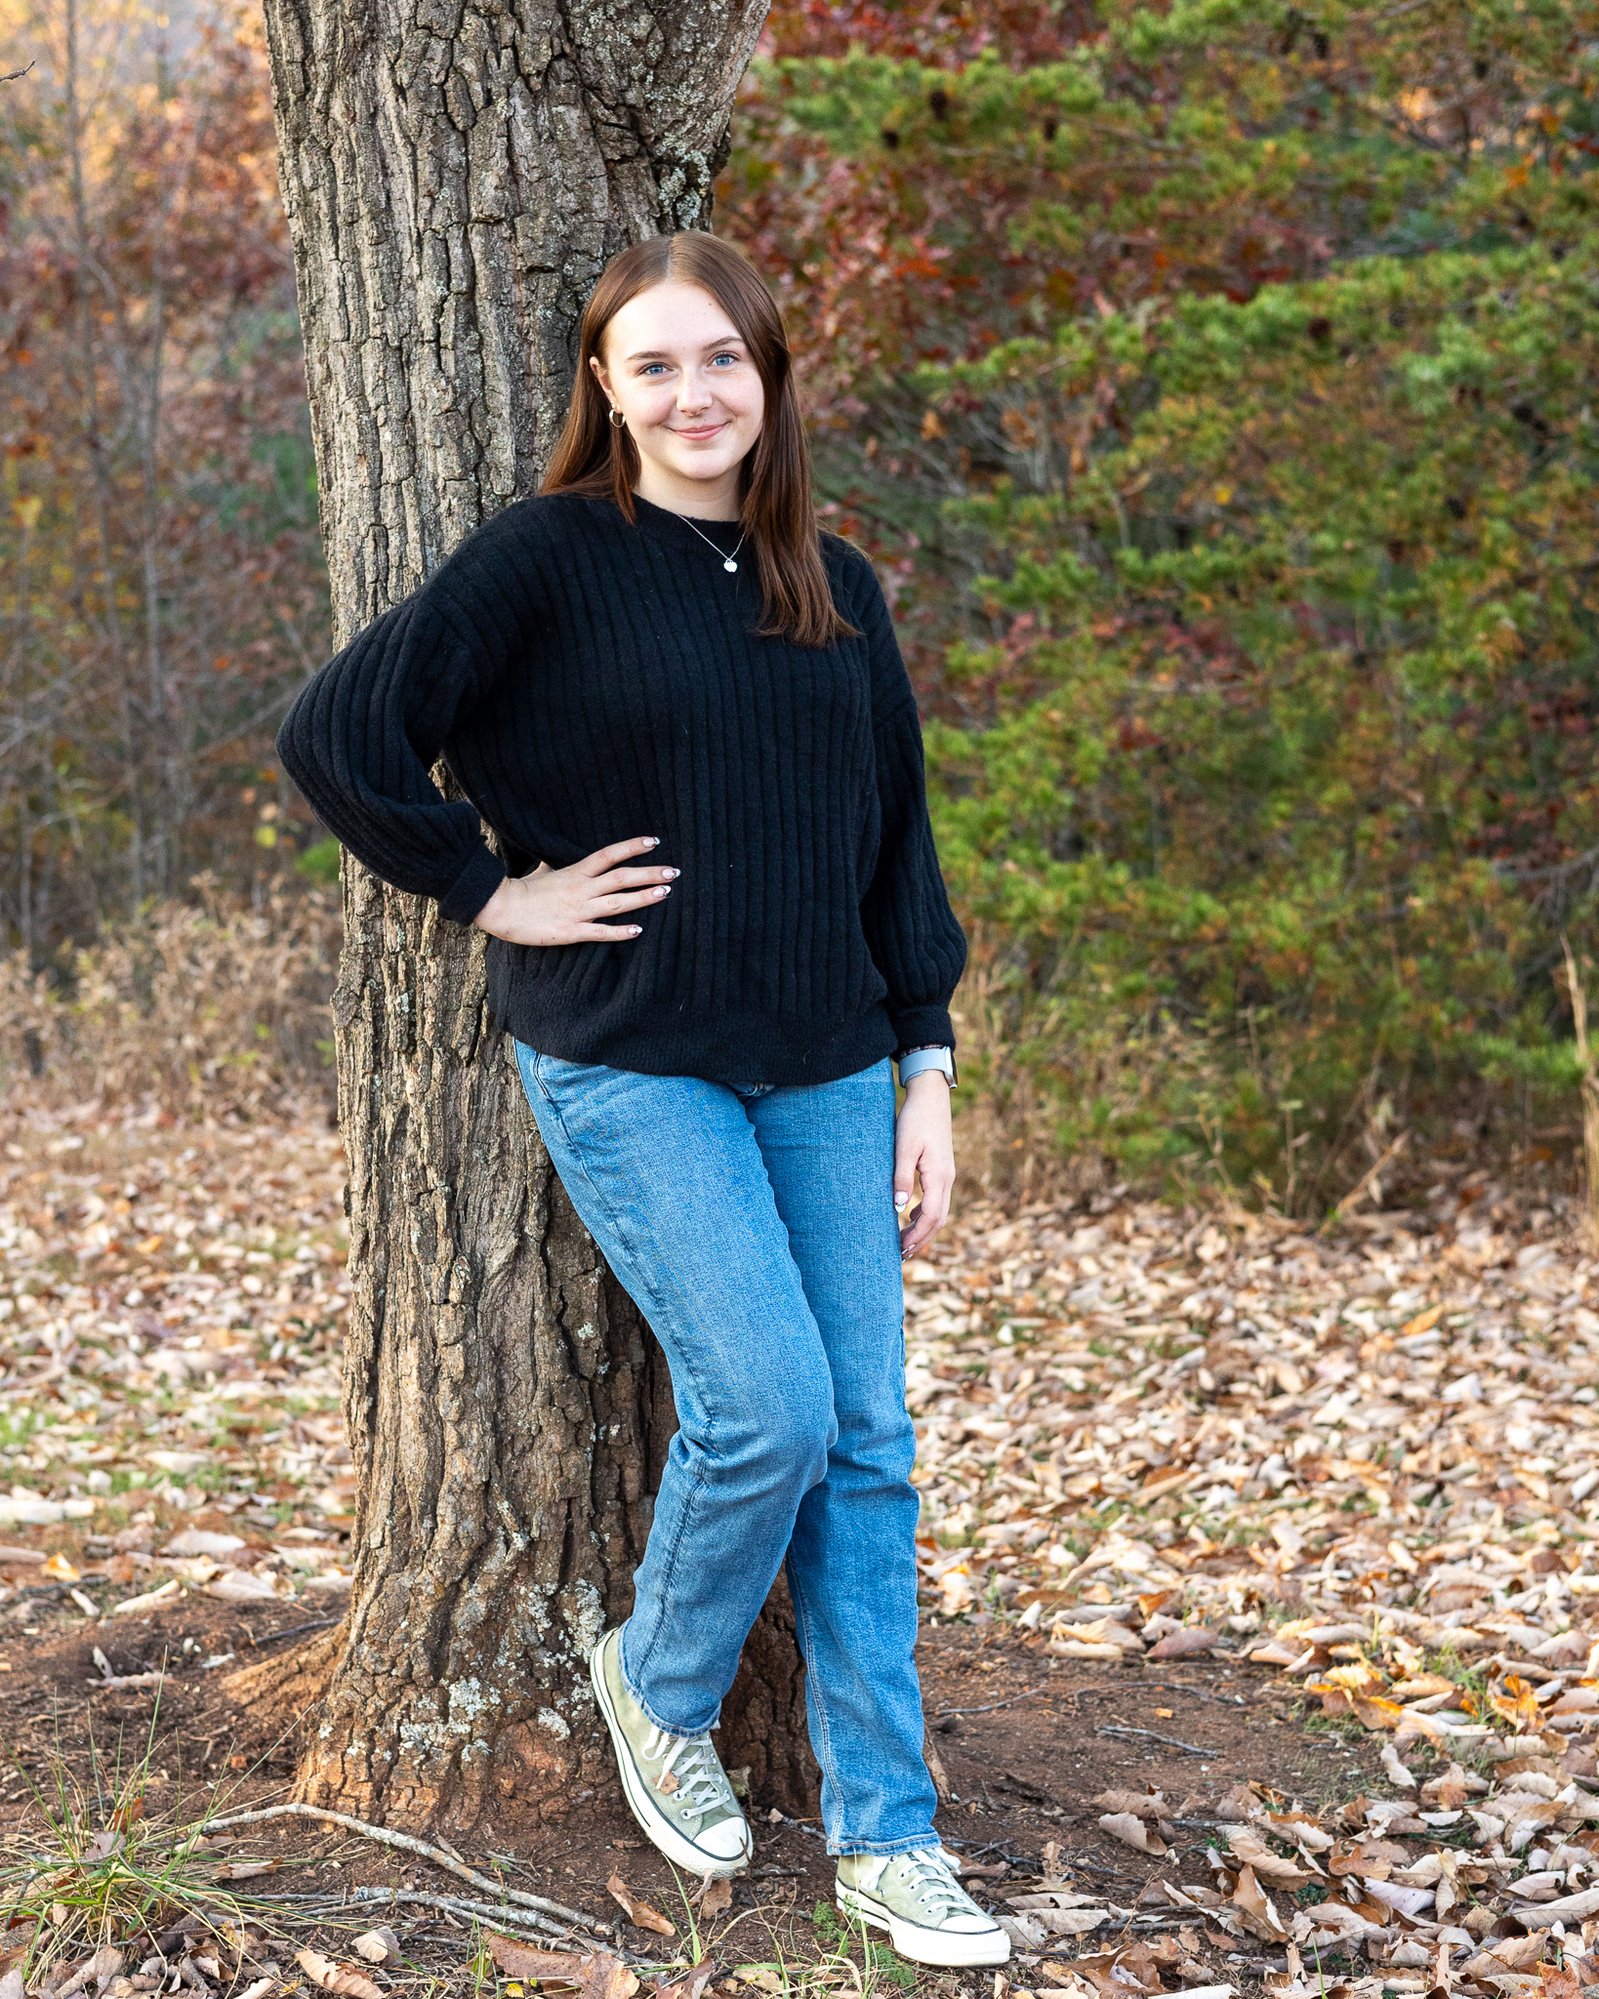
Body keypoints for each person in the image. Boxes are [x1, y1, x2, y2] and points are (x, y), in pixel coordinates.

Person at [274, 229, 1008, 1972]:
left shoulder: (835, 583)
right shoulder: (547, 560)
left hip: (830, 1059)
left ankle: (893, 1843)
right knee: (767, 1407)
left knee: (869, 1453)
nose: (695, 395)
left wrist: (928, 1063)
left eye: (724, 362)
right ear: (606, 388)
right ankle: (659, 1679)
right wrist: (487, 887)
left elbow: (892, 843)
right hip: (628, 1053)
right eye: (655, 365)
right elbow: (338, 730)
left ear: (771, 378)